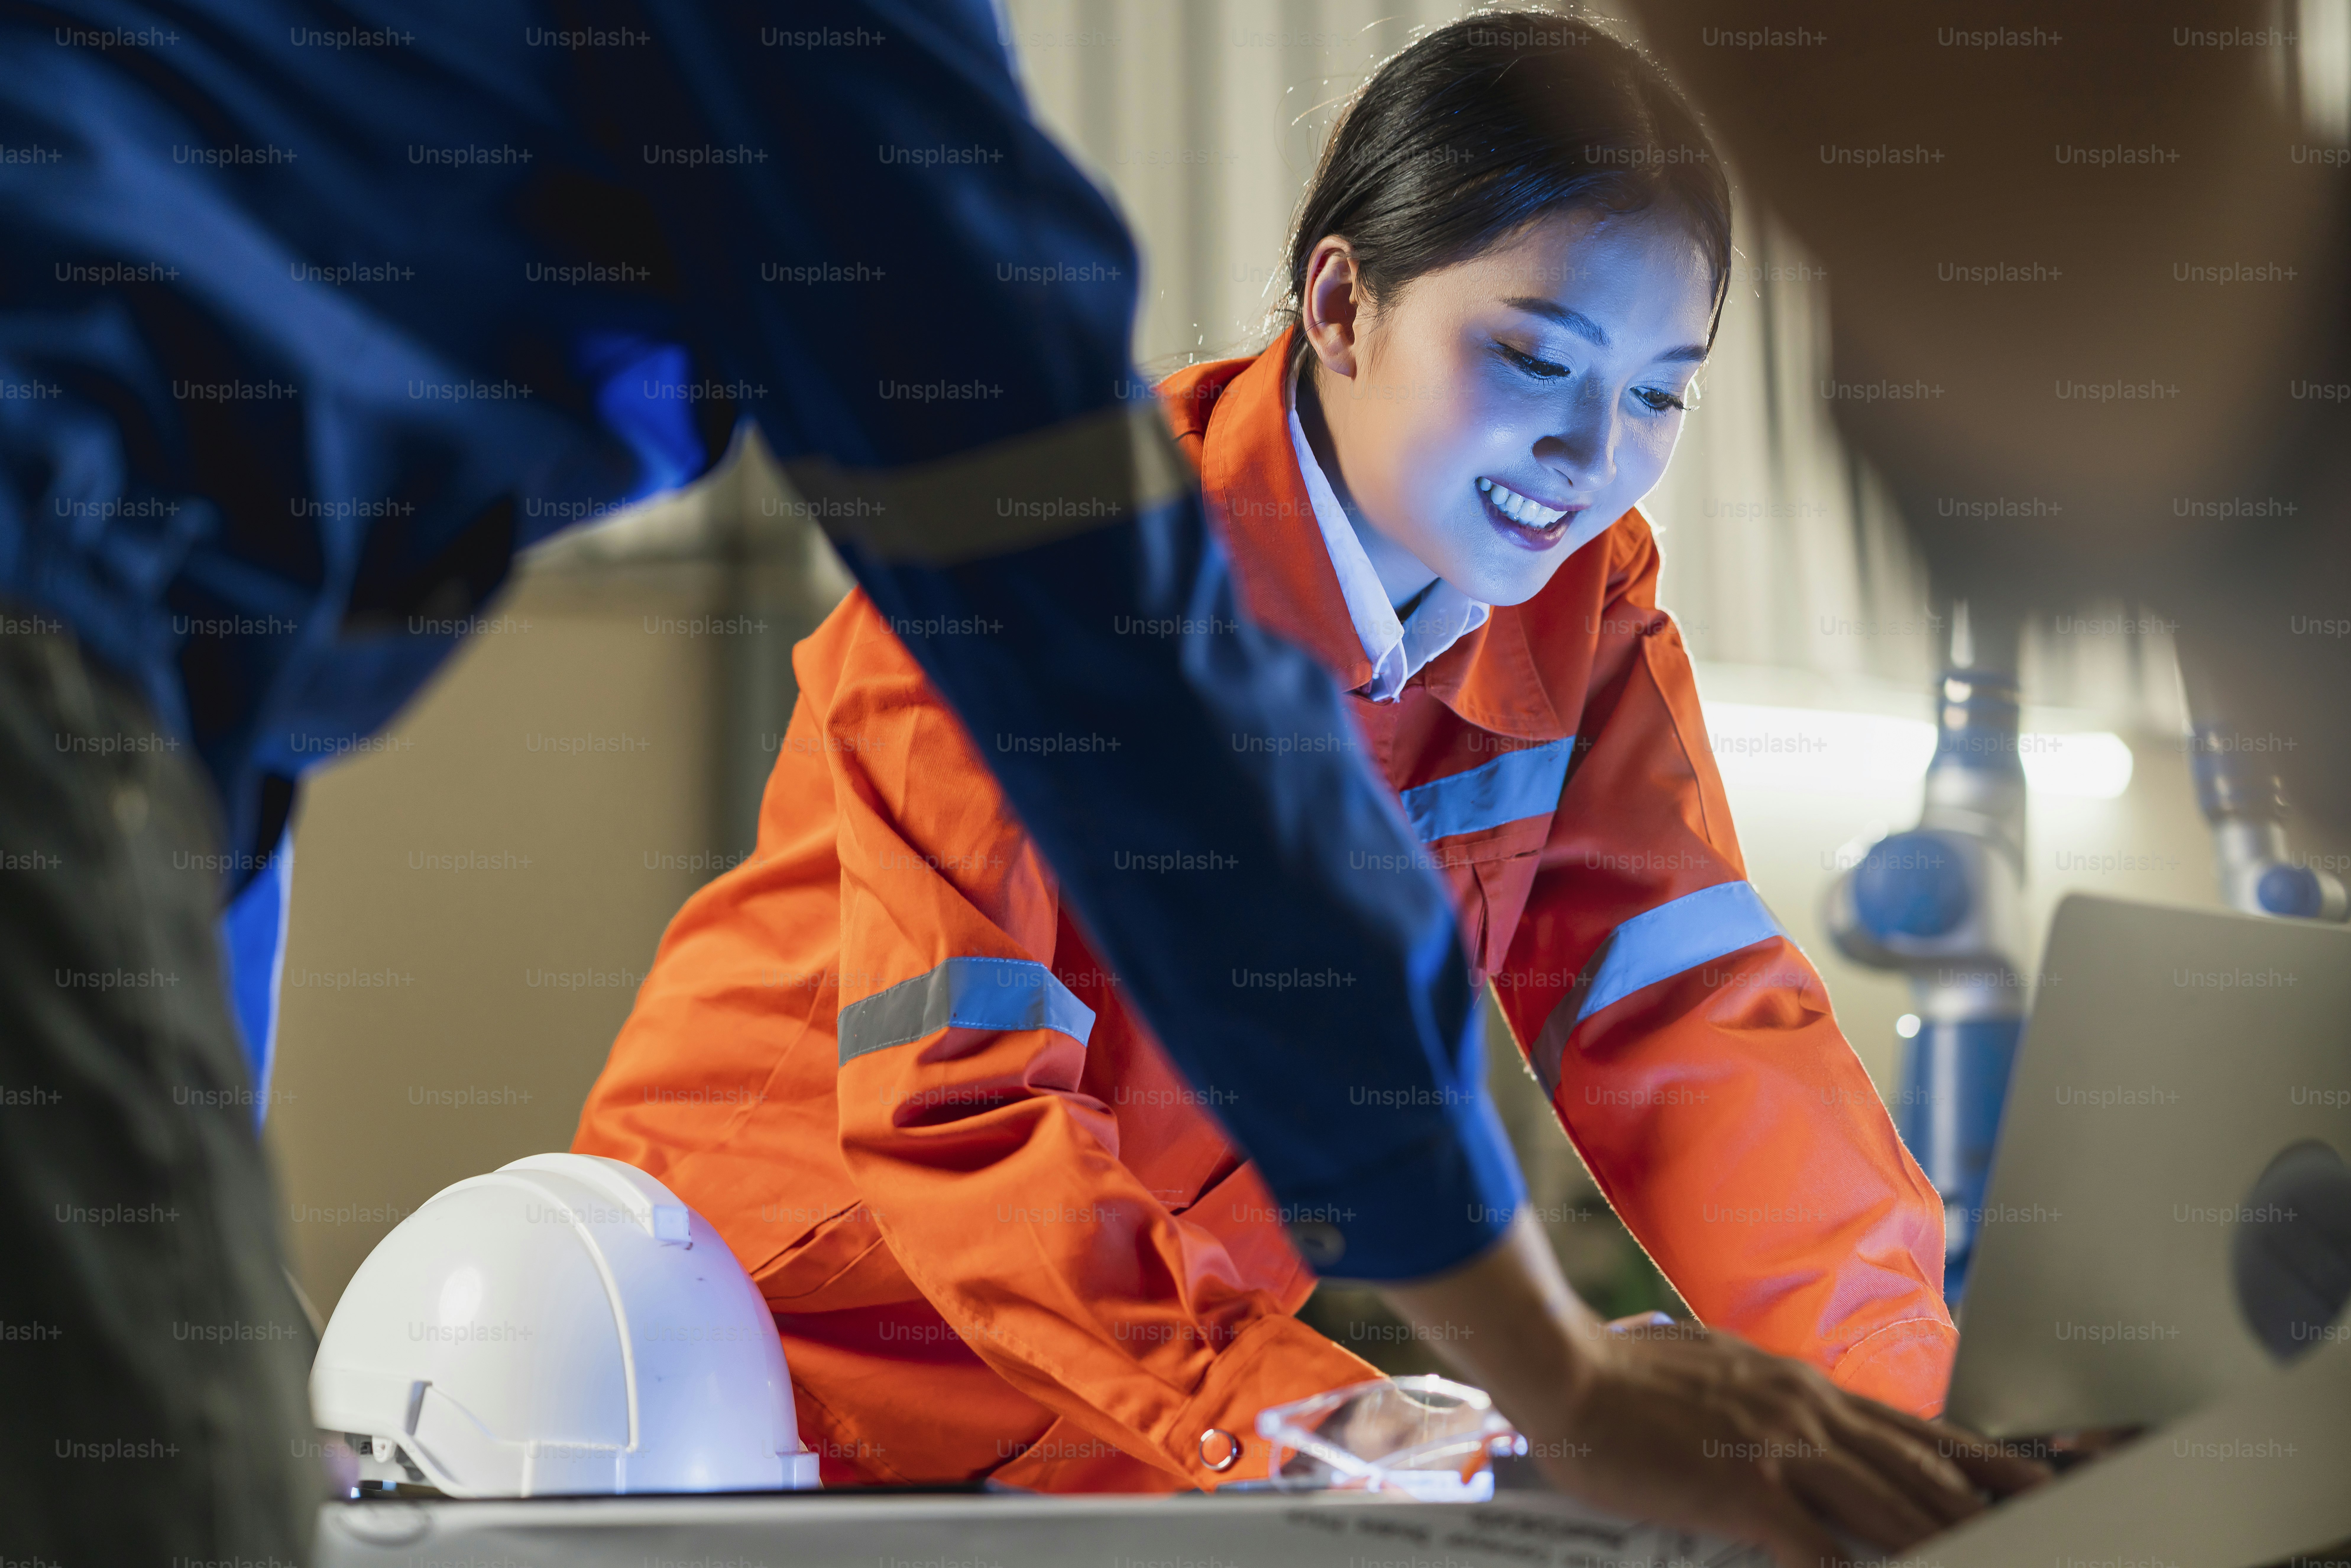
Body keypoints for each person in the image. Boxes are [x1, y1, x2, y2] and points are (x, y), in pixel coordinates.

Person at [573, 18, 2039, 1558]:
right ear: (1341, 305)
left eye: (1661, 395)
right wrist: (1353, 1423)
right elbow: (960, 1111)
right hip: (745, 1369)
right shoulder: (1041, 567)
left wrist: (1916, 1425)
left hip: (1137, 1419)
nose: (1590, 450)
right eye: (1536, 358)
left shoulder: (1576, 606)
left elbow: (1696, 1028)